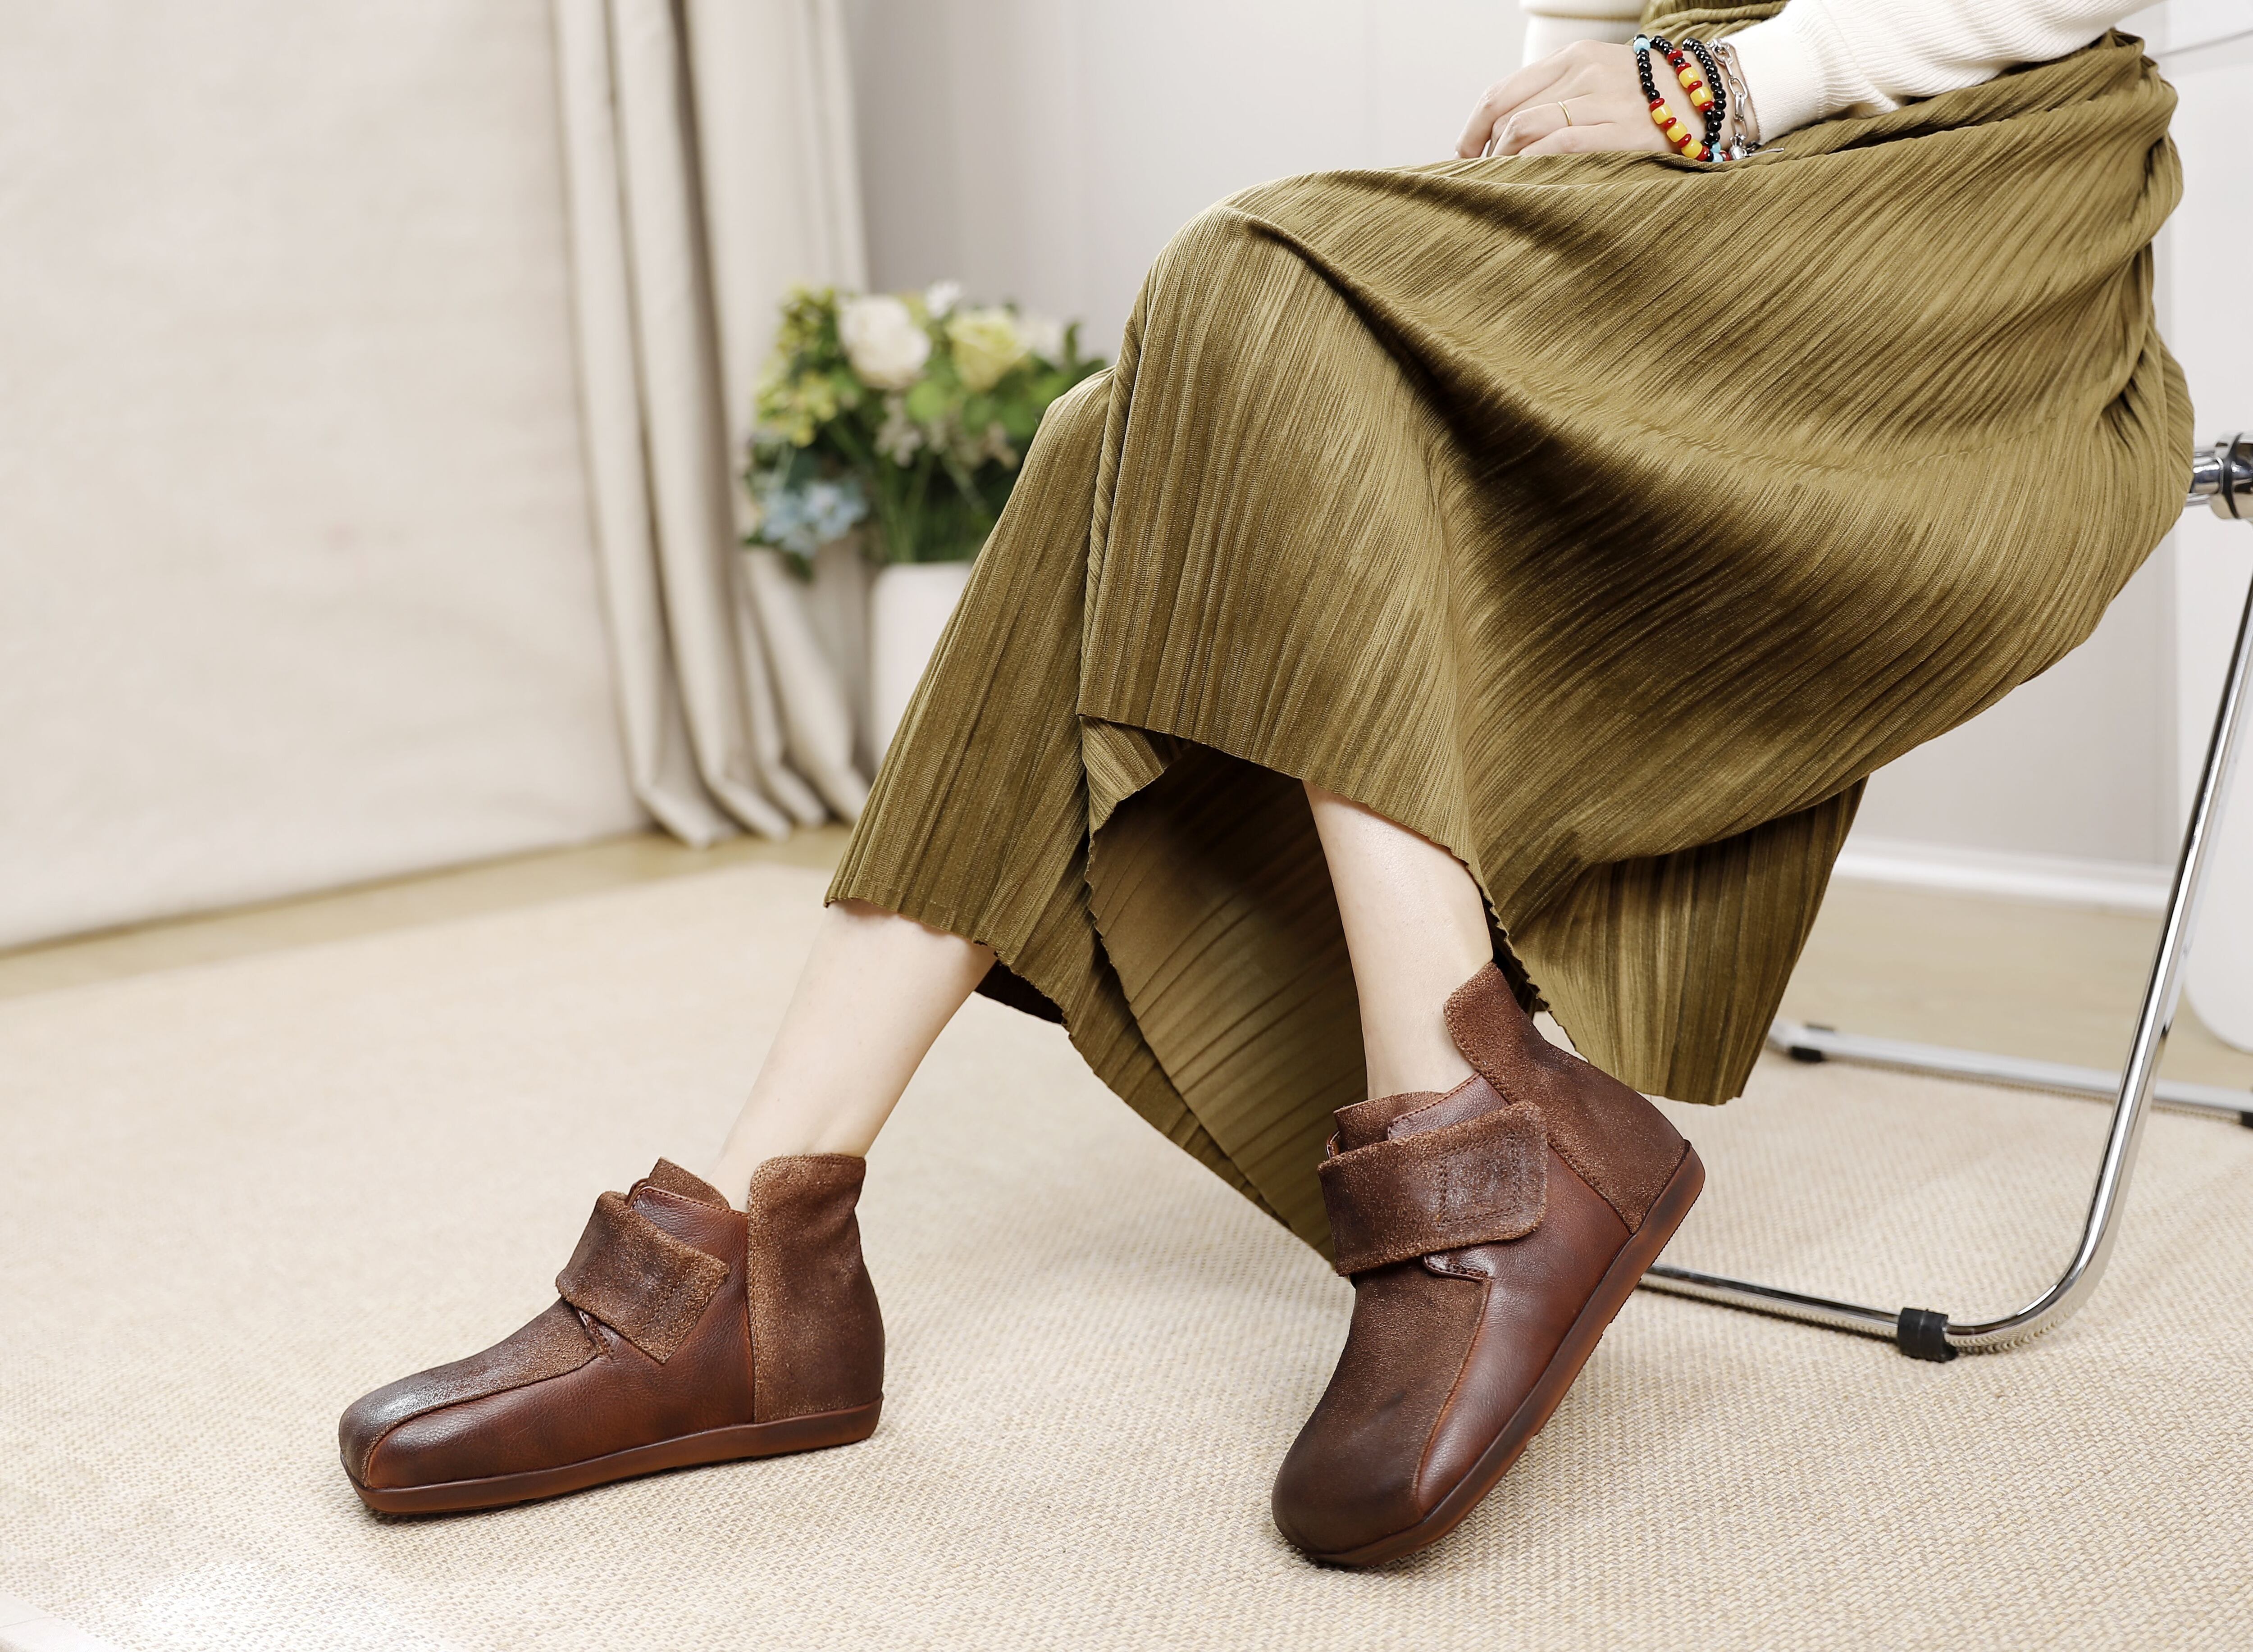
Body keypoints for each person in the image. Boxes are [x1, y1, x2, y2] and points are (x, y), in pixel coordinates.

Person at [338, 0, 2185, 1566]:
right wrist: (1556, 152)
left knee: (1250, 281)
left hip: (1965, 210)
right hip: (1681, 196)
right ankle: (766, 1230)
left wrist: (1723, 86)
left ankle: (1458, 1111)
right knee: (1124, 431)